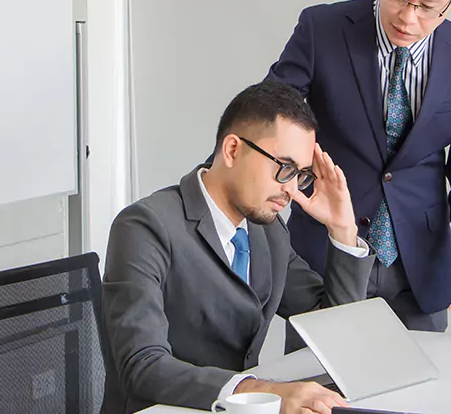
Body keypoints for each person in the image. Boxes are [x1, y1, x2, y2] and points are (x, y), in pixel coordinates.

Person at [266, 0, 451, 332]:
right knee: (317, 373)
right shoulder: (321, 29)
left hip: (420, 271)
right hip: (327, 256)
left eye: (428, 7)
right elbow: (267, 118)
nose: (408, 18)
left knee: (418, 373)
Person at [101, 80, 376, 414]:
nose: (291, 190)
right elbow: (142, 364)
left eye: (301, 175)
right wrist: (266, 393)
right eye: (284, 169)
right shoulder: (145, 226)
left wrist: (343, 230)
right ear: (233, 150)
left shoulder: (269, 233)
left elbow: (333, 330)